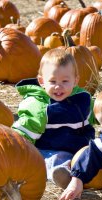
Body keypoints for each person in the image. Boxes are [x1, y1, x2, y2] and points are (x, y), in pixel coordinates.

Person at [12, 49, 95, 189]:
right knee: (54, 159)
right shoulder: (39, 106)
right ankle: (64, 176)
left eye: (65, 81)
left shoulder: (84, 99)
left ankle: (81, 172)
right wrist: (13, 150)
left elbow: (98, 115)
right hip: (49, 149)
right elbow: (24, 132)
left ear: (75, 80)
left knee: (94, 154)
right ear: (42, 81)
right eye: (52, 81)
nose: (58, 86)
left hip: (80, 149)